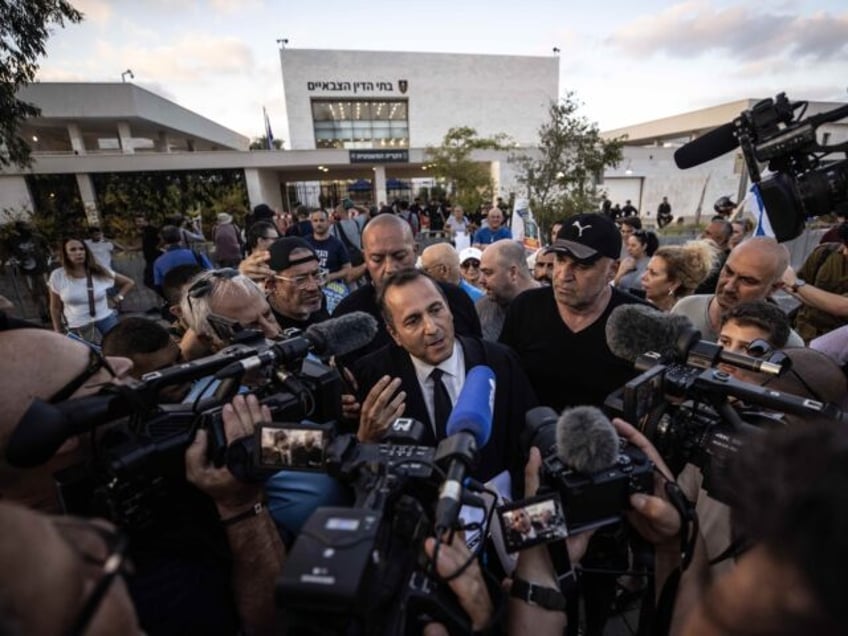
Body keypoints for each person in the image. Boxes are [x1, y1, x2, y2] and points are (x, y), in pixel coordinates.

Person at [351, 269, 537, 483]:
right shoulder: (373, 377)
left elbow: (526, 442)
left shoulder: (500, 362)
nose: (431, 328)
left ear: (449, 309)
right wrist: (366, 441)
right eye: (413, 320)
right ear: (394, 334)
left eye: (436, 309)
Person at [501, 213, 648, 411]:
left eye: (582, 265)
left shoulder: (641, 322)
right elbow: (503, 379)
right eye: (560, 260)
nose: (563, 275)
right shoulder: (526, 308)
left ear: (613, 270)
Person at [332, 214, 481, 362]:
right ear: (365, 258)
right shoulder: (347, 315)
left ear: (415, 251)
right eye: (377, 259)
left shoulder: (456, 299)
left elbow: (477, 355)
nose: (390, 268)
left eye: (399, 256)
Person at [672, 237, 804, 344]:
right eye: (728, 272)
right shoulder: (685, 309)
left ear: (774, 288)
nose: (729, 286)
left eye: (747, 280)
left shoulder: (788, 344)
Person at [48, 238, 135, 344]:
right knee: (89, 356)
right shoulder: (57, 276)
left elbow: (129, 282)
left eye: (81, 249)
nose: (78, 252)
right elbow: (55, 307)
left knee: (118, 348)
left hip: (106, 318)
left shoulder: (99, 271)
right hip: (78, 324)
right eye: (73, 250)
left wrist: (117, 298)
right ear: (66, 254)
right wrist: (57, 330)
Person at [785, 222, 848, 342]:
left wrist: (795, 283)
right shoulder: (825, 253)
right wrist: (788, 283)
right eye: (845, 245)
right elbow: (798, 289)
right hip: (802, 333)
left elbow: (843, 306)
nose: (845, 252)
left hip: (839, 346)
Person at [476, 239, 540, 341]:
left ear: (513, 273)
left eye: (488, 273)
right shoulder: (480, 309)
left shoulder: (554, 305)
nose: (480, 280)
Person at [264, 237, 330, 330]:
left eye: (316, 275)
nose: (313, 287)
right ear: (272, 285)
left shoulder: (318, 302)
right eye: (300, 280)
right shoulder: (262, 324)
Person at [640, 240, 718, 312]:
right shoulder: (638, 306)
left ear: (674, 284)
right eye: (646, 270)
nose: (643, 277)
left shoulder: (683, 319)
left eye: (653, 273)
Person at [304, 208, 351, 313]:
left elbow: (348, 269)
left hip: (333, 290)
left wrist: (330, 277)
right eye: (315, 221)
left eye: (321, 220)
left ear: (328, 222)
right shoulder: (305, 242)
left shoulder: (337, 244)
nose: (318, 224)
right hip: (310, 290)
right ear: (311, 223)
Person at [152, 225, 212, 293]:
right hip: (199, 293)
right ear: (180, 237)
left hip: (177, 297)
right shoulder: (196, 254)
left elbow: (158, 286)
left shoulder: (158, 263)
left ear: (163, 240)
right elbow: (211, 272)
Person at [694, 218, 733, 294]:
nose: (702, 236)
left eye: (708, 233)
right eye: (704, 232)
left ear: (721, 239)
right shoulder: (703, 256)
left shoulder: (725, 263)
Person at [614, 229, 658, 294]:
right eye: (628, 245)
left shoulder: (651, 263)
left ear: (644, 246)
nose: (629, 248)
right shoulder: (626, 261)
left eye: (633, 245)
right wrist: (621, 272)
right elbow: (615, 284)